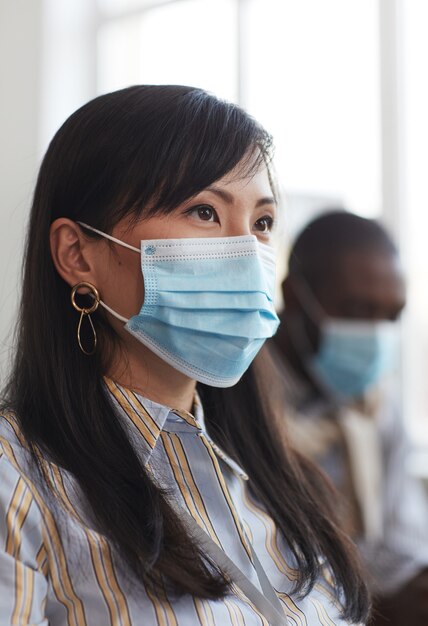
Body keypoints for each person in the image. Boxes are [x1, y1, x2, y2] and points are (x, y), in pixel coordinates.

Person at [0, 87, 369, 625]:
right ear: (77, 254)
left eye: (263, 223)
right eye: (204, 211)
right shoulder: (17, 482)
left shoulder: (280, 476)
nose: (247, 253)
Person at [270, 210, 428, 626]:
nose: (376, 332)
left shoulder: (374, 404)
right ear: (294, 296)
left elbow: (398, 543)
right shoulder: (237, 400)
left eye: (391, 316)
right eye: (358, 309)